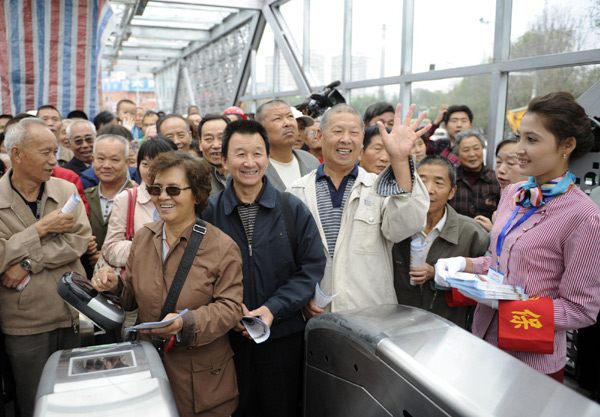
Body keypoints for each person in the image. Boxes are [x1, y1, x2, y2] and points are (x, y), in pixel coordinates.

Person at [434, 91, 600, 382]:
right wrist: (464, 265)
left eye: (532, 140)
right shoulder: (513, 193)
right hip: (483, 338)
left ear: (567, 145)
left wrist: (512, 308)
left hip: (531, 361)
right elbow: (504, 263)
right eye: (519, 137)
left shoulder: (583, 216)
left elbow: (580, 310)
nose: (519, 149)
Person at [91, 151, 244, 416]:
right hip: (150, 370)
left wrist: (187, 323)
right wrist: (115, 285)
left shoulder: (221, 246)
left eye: (173, 189)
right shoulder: (143, 238)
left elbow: (231, 308)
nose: (163, 197)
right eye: (156, 189)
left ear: (196, 195)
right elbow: (131, 297)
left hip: (202, 382)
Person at [203, 120, 325, 417]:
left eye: (257, 154)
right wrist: (228, 311)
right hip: (225, 341)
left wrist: (274, 309)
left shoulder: (291, 208)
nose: (249, 163)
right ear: (224, 159)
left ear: (267, 158)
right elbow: (198, 273)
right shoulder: (209, 212)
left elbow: (310, 267)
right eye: (240, 154)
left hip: (282, 337)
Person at [289, 103, 429, 315]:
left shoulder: (379, 187)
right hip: (318, 316)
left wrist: (399, 160)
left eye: (354, 133)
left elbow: (406, 226)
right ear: (319, 134)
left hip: (371, 313)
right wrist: (301, 297)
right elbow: (288, 258)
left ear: (362, 139)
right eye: (337, 131)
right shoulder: (295, 192)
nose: (346, 139)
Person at [0, 118, 91, 417]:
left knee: (73, 398)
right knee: (35, 400)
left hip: (70, 312)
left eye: (55, 151)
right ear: (17, 154)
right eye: (45, 152)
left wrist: (26, 262)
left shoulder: (65, 190)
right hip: (24, 321)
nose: (54, 160)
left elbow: (78, 241)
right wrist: (40, 229)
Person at [392, 155, 488, 328]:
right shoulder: (395, 227)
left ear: (452, 191)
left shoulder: (471, 233)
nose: (429, 189)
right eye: (422, 182)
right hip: (398, 330)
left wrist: (439, 275)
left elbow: (490, 281)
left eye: (438, 183)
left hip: (451, 332)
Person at [84, 134, 134, 256]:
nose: (106, 165)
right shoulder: (84, 196)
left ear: (127, 162)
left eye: (114, 160)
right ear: (93, 159)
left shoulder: (138, 198)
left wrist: (107, 256)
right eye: (100, 159)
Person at [256, 100, 320, 191]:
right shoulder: (253, 168)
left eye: (290, 116)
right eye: (278, 118)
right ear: (261, 128)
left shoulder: (311, 161)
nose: (288, 123)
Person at [475, 138, 526, 232]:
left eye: (510, 163)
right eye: (498, 162)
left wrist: (494, 231)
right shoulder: (504, 192)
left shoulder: (536, 200)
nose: (501, 170)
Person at [449, 130, 500, 219]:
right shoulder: (451, 180)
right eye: (466, 150)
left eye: (476, 149)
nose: (472, 154)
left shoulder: (496, 179)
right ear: (457, 154)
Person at [197, 114, 230, 195]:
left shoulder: (245, 171)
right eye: (209, 139)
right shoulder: (194, 177)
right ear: (200, 143)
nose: (216, 145)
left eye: (222, 138)